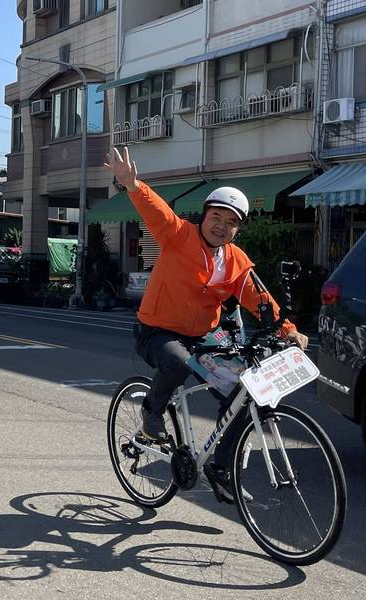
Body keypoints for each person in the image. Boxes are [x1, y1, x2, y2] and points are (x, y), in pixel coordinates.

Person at [104, 146, 308, 503]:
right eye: (217, 217)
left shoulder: (235, 259)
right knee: (177, 363)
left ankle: (221, 467)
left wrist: (287, 329)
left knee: (245, 394)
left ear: (238, 230)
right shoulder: (178, 235)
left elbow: (258, 299)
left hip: (203, 337)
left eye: (232, 223)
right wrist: (132, 185)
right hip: (158, 331)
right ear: (204, 216)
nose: (223, 226)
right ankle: (152, 413)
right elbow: (157, 212)